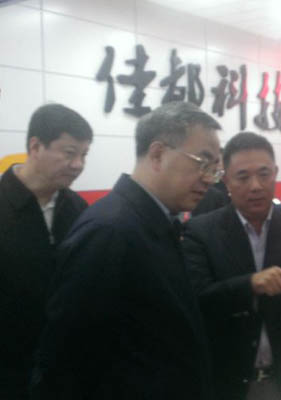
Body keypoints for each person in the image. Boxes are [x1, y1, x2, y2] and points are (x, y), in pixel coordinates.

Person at [31, 102, 221, 400]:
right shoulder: (110, 231)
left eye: (215, 169)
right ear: (157, 154)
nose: (209, 178)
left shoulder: (155, 221)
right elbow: (65, 361)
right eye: (202, 162)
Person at [183, 132, 281, 400]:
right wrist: (251, 284)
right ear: (225, 180)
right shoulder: (201, 231)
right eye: (242, 177)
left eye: (264, 174)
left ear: (275, 173)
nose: (255, 186)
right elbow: (195, 301)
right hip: (227, 380)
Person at [0, 104, 92, 399]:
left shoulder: (77, 208)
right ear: (35, 146)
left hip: (66, 367)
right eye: (69, 153)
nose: (78, 164)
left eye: (84, 155)